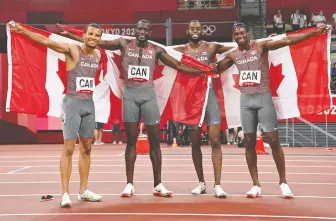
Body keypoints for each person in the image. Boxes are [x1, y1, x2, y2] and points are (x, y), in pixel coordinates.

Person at [57, 19, 206, 197]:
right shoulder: (124, 43)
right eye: (140, 29)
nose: (142, 31)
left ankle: (158, 184)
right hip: (130, 96)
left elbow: (179, 65)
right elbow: (100, 42)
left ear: (150, 33)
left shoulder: (157, 50)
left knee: (155, 141)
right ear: (135, 30)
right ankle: (129, 184)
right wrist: (70, 32)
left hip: (149, 96)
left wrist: (203, 70)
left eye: (146, 29)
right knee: (131, 141)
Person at [214, 22, 331, 198]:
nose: (239, 36)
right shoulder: (233, 54)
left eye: (242, 33)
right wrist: (199, 65)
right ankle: (255, 185)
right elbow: (215, 68)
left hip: (263, 98)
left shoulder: (260, 46)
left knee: (273, 139)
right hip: (246, 102)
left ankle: (283, 182)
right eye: (236, 34)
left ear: (248, 33)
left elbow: (288, 40)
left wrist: (315, 32)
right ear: (233, 37)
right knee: (249, 142)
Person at [9, 21, 104, 207]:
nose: (93, 37)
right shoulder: (72, 49)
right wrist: (23, 31)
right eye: (90, 34)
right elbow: (46, 42)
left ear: (99, 38)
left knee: (87, 149)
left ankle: (84, 191)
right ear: (83, 35)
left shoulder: (99, 54)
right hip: (73, 104)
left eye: (97, 35)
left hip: (89, 105)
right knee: (68, 149)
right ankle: (65, 194)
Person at [173, 20, 234, 198]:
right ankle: (201, 183)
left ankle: (218, 184)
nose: (195, 31)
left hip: (210, 97)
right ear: (187, 30)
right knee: (195, 143)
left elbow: (233, 50)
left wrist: (219, 66)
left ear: (202, 31)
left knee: (215, 140)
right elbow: (162, 53)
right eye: (192, 28)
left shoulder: (212, 47)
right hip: (191, 100)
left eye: (198, 28)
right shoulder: (181, 50)